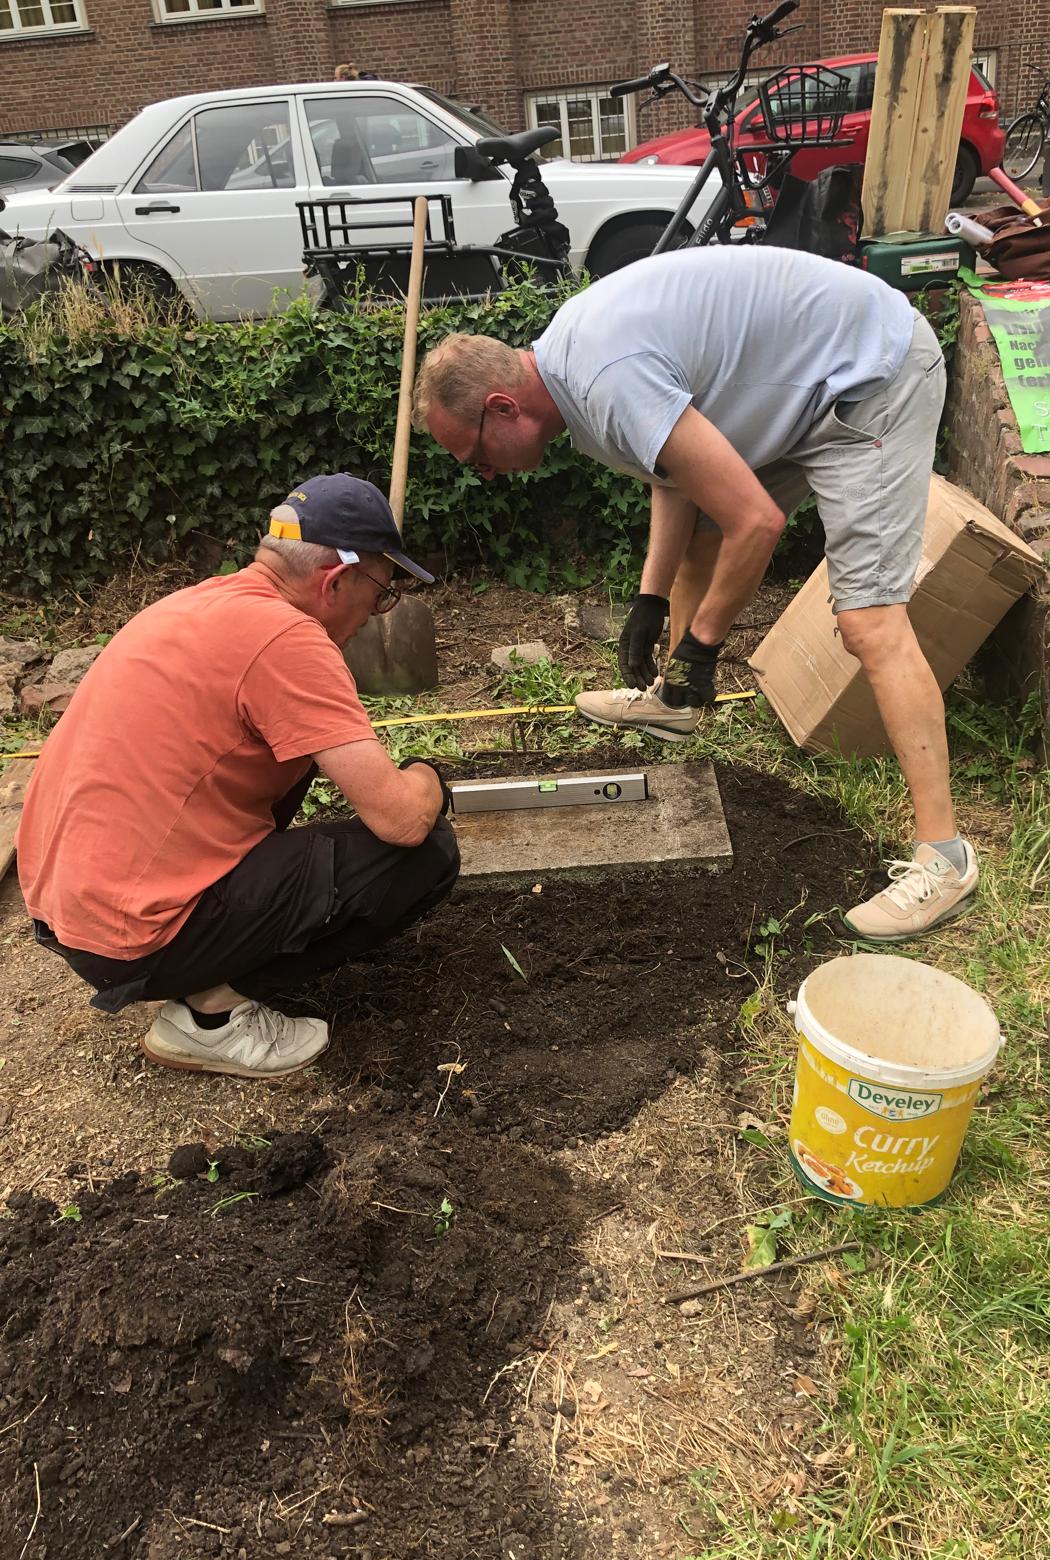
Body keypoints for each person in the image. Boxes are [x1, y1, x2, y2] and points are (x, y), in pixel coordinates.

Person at [413, 246, 973, 942]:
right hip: (808, 385)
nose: (485, 473)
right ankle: (675, 703)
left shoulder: (603, 379)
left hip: (869, 378)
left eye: (476, 456)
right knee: (702, 540)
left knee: (869, 620)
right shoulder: (565, 366)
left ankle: (945, 858)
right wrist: (649, 602)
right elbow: (675, 475)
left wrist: (703, 645)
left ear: (502, 408)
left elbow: (757, 523)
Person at [16, 474, 459, 1080]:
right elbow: (401, 821)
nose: (375, 612)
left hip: (68, 910)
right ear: (335, 581)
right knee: (425, 853)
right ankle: (212, 1014)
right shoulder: (289, 639)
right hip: (132, 938)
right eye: (381, 593)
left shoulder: (193, 604)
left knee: (291, 759)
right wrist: (428, 776)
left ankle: (206, 962)